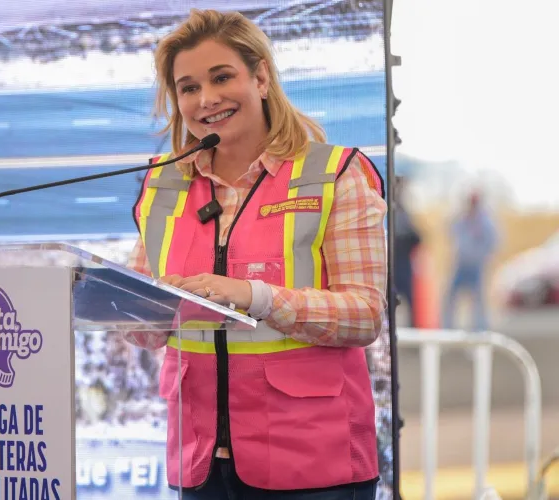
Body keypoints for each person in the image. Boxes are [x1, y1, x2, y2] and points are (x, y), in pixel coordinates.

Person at [124, 9, 388, 499]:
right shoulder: (163, 184)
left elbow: (365, 315)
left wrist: (254, 297)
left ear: (261, 78)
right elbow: (142, 331)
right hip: (201, 462)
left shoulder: (335, 173)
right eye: (188, 87)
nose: (207, 99)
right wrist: (139, 303)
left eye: (222, 77)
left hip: (314, 463)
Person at [442, 190, 498, 332]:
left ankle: (480, 329)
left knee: (478, 300)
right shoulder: (462, 218)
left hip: (476, 265)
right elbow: (449, 228)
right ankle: (447, 328)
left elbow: (493, 242)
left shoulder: (485, 222)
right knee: (450, 297)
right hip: (461, 264)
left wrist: (482, 255)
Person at [393, 175, 422, 326]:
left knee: (409, 300)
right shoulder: (391, 209)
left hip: (403, 262)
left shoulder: (402, 210)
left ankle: (412, 329)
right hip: (394, 263)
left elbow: (416, 237)